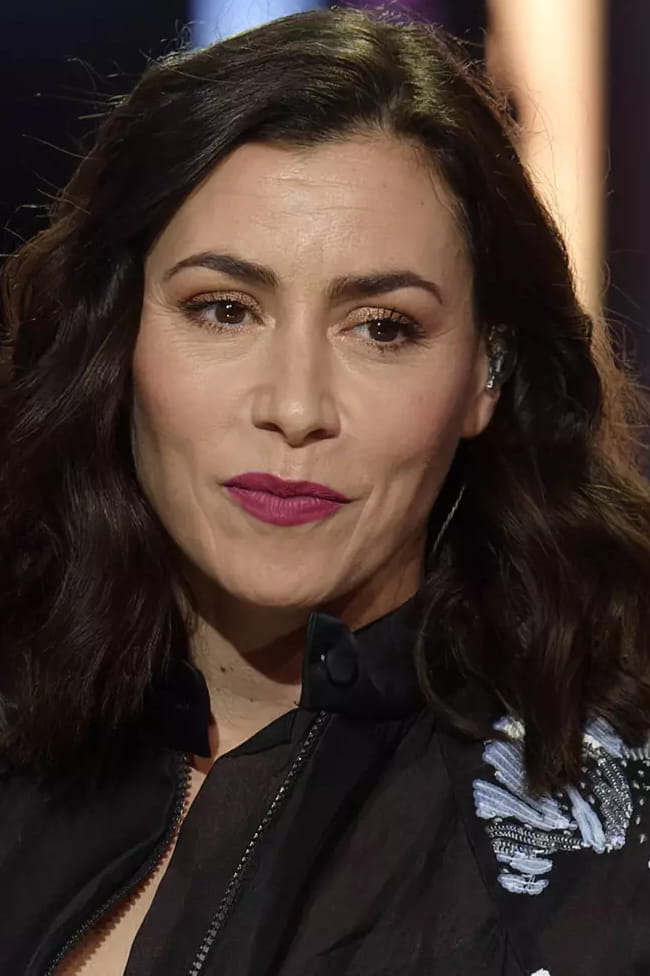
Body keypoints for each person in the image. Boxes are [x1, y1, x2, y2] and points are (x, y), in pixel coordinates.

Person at [1, 7, 650, 976]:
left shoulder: (613, 846)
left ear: (487, 373)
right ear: (116, 334)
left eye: (382, 326)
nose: (296, 407)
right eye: (224, 309)